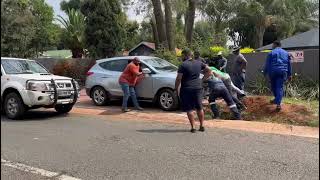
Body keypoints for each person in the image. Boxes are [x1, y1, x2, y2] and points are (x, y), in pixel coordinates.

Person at [175, 48, 211, 133]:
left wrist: (176, 88)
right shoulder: (199, 62)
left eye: (182, 55)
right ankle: (202, 125)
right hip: (198, 88)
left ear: (185, 55)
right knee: (199, 107)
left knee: (189, 109)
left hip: (187, 89)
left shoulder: (183, 65)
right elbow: (209, 71)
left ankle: (193, 127)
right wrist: (202, 80)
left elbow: (178, 78)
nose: (181, 57)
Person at [263, 40, 292, 112]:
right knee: (279, 87)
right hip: (283, 72)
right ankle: (278, 103)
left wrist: (265, 73)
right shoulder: (286, 53)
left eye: (272, 45)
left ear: (275, 45)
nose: (272, 46)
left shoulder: (271, 53)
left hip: (273, 72)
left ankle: (277, 101)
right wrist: (290, 74)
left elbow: (267, 64)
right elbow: (289, 64)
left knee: (274, 87)